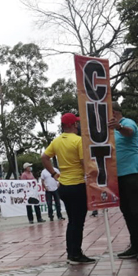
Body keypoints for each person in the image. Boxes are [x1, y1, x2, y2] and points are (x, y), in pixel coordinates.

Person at [41, 112, 96, 264]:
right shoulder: (79, 141)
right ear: (71, 125)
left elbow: (44, 157)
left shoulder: (56, 141)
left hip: (63, 185)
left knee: (72, 221)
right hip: (77, 184)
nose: (78, 125)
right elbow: (84, 163)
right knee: (78, 222)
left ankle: (71, 253)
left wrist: (54, 174)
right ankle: (75, 254)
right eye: (76, 123)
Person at [109, 102, 138, 261]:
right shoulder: (110, 129)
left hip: (132, 174)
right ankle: (135, 245)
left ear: (113, 112)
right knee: (127, 212)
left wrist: (119, 127)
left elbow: (130, 132)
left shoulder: (127, 123)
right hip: (118, 176)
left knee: (137, 211)